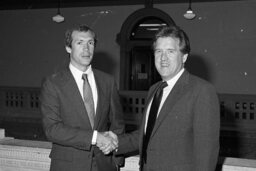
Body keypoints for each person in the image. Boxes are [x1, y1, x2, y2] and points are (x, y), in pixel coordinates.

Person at [106, 25, 220, 171]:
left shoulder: (202, 91)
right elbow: (147, 134)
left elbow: (206, 154)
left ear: (184, 56)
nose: (163, 58)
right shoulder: (155, 90)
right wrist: (115, 142)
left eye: (170, 52)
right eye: (158, 51)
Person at [40, 24, 124, 171]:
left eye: (90, 43)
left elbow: (117, 124)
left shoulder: (108, 81)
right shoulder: (53, 83)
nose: (86, 49)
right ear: (68, 48)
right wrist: (95, 137)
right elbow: (52, 129)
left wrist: (117, 159)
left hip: (105, 165)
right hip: (68, 166)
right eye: (80, 43)